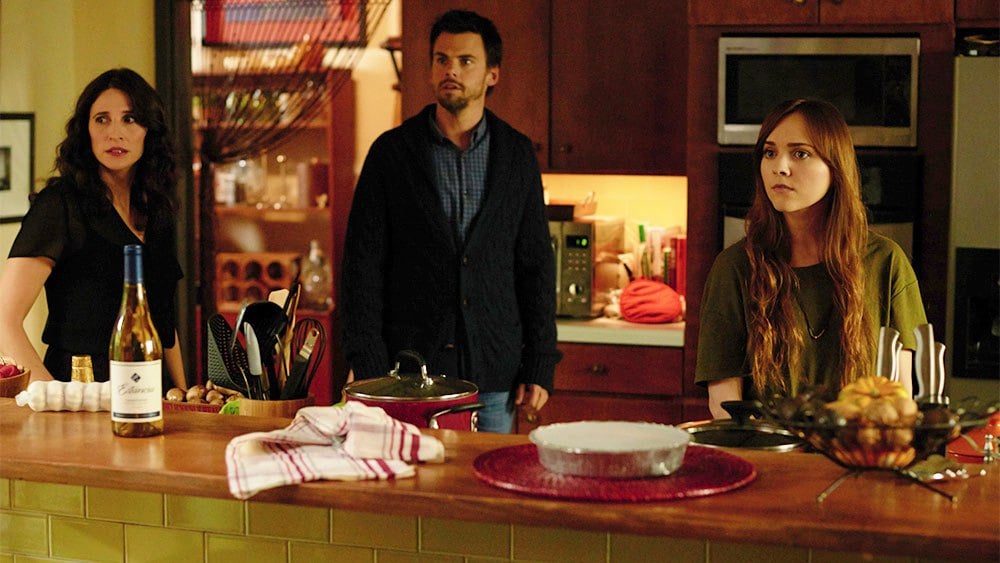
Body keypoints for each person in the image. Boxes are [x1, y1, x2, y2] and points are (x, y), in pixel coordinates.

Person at [340, 9, 561, 432]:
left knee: (483, 492)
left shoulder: (515, 156)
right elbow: (361, 268)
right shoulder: (392, 154)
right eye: (441, 59)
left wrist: (539, 362)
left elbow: (534, 265)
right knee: (408, 493)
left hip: (494, 377)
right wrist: (367, 364)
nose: (451, 71)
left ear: (492, 74)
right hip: (407, 378)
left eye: (465, 61)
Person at [695, 98, 926, 419]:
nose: (780, 166)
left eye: (800, 153)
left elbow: (900, 395)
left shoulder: (886, 263)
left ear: (835, 166)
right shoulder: (734, 267)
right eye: (769, 152)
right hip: (769, 457)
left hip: (858, 456)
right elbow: (723, 400)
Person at [0, 68, 187, 390]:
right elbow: (4, 321)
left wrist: (184, 396)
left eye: (130, 119)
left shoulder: (158, 209)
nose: (115, 133)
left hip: (153, 392)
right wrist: (54, 399)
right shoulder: (59, 205)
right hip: (81, 390)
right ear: (85, 130)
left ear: (149, 130)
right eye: (102, 119)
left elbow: (165, 327)